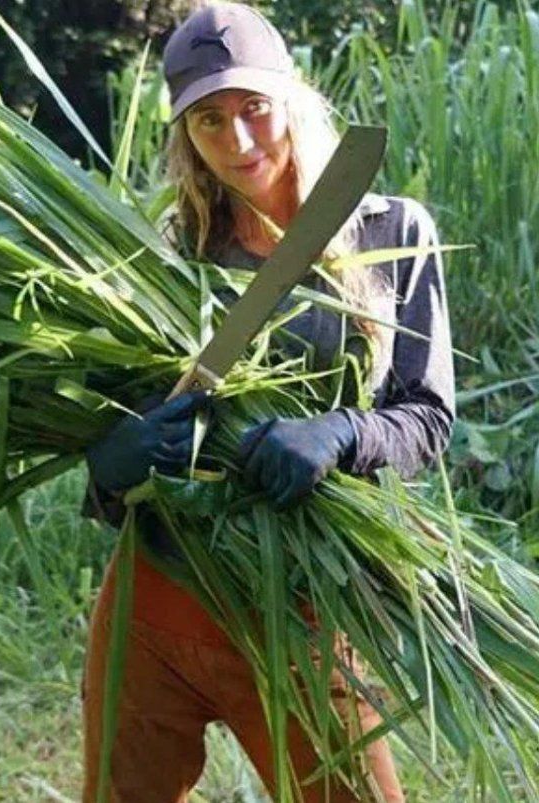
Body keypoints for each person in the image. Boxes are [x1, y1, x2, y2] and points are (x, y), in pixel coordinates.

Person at [80, 3, 455, 802]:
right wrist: (108, 466)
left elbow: (427, 416)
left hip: (301, 609)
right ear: (186, 134)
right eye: (210, 120)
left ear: (291, 99)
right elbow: (110, 417)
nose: (239, 142)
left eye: (253, 109)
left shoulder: (390, 230)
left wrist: (344, 431)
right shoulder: (168, 256)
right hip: (155, 597)